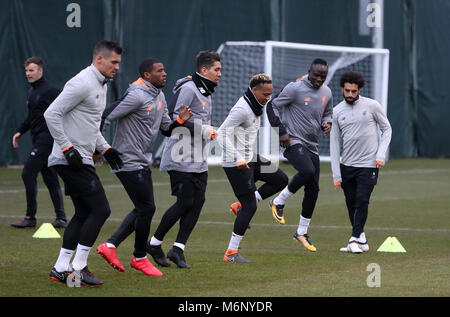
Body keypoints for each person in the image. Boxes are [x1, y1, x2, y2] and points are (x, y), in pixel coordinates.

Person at [96, 58, 192, 276]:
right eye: (159, 71)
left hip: (141, 160)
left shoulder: (158, 95)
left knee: (143, 208)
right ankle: (139, 257)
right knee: (147, 208)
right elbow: (105, 117)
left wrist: (180, 121)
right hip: (126, 160)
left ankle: (110, 246)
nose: (164, 73)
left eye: (164, 69)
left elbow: (167, 129)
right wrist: (100, 147)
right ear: (147, 76)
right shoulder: (136, 94)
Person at [45, 40, 124, 286]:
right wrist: (67, 148)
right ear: (99, 59)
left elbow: (90, 124)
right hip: (70, 159)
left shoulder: (100, 85)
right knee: (101, 210)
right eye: (113, 62)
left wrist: (106, 148)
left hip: (80, 158)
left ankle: (60, 269)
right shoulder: (82, 82)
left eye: (119, 63)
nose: (117, 68)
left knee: (83, 212)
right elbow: (51, 114)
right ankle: (78, 270)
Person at [146, 50, 221, 269]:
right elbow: (171, 120)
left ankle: (178, 249)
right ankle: (154, 243)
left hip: (198, 157)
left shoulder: (206, 91)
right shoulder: (188, 89)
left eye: (221, 70)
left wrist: (205, 131)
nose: (220, 74)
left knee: (198, 202)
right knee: (185, 202)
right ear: (204, 70)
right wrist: (203, 129)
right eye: (217, 70)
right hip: (180, 156)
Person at [218, 74, 288, 263]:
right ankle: (231, 253)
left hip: (250, 158)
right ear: (254, 90)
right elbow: (220, 134)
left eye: (270, 94)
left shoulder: (257, 105)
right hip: (236, 163)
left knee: (281, 179)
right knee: (250, 206)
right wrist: (239, 158)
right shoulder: (242, 109)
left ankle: (239, 205)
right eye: (265, 94)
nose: (268, 98)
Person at [266, 58, 333, 252]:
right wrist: (280, 131)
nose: (320, 79)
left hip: (312, 145)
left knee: (313, 189)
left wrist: (326, 124)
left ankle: (301, 232)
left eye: (323, 76)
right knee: (307, 170)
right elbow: (271, 105)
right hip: (292, 141)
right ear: (309, 72)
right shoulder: (294, 88)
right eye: (317, 75)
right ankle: (278, 201)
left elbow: (327, 113)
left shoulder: (327, 92)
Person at [330, 71, 392, 253]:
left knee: (362, 200)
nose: (350, 94)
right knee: (351, 203)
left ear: (359, 90)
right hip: (347, 166)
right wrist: (336, 173)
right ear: (342, 89)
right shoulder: (336, 112)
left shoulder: (372, 106)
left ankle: (353, 239)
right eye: (347, 90)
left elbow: (387, 129)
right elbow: (334, 144)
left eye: (353, 91)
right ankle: (362, 240)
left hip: (369, 165)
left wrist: (380, 154)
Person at [11, 57, 67, 229]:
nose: (28, 73)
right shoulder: (32, 92)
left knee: (28, 173)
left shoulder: (50, 91)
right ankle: (61, 218)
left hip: (47, 140)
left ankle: (30, 217)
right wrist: (20, 131)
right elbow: (31, 117)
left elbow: (63, 111)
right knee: (50, 178)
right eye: (27, 70)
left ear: (40, 71)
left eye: (32, 70)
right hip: (38, 139)